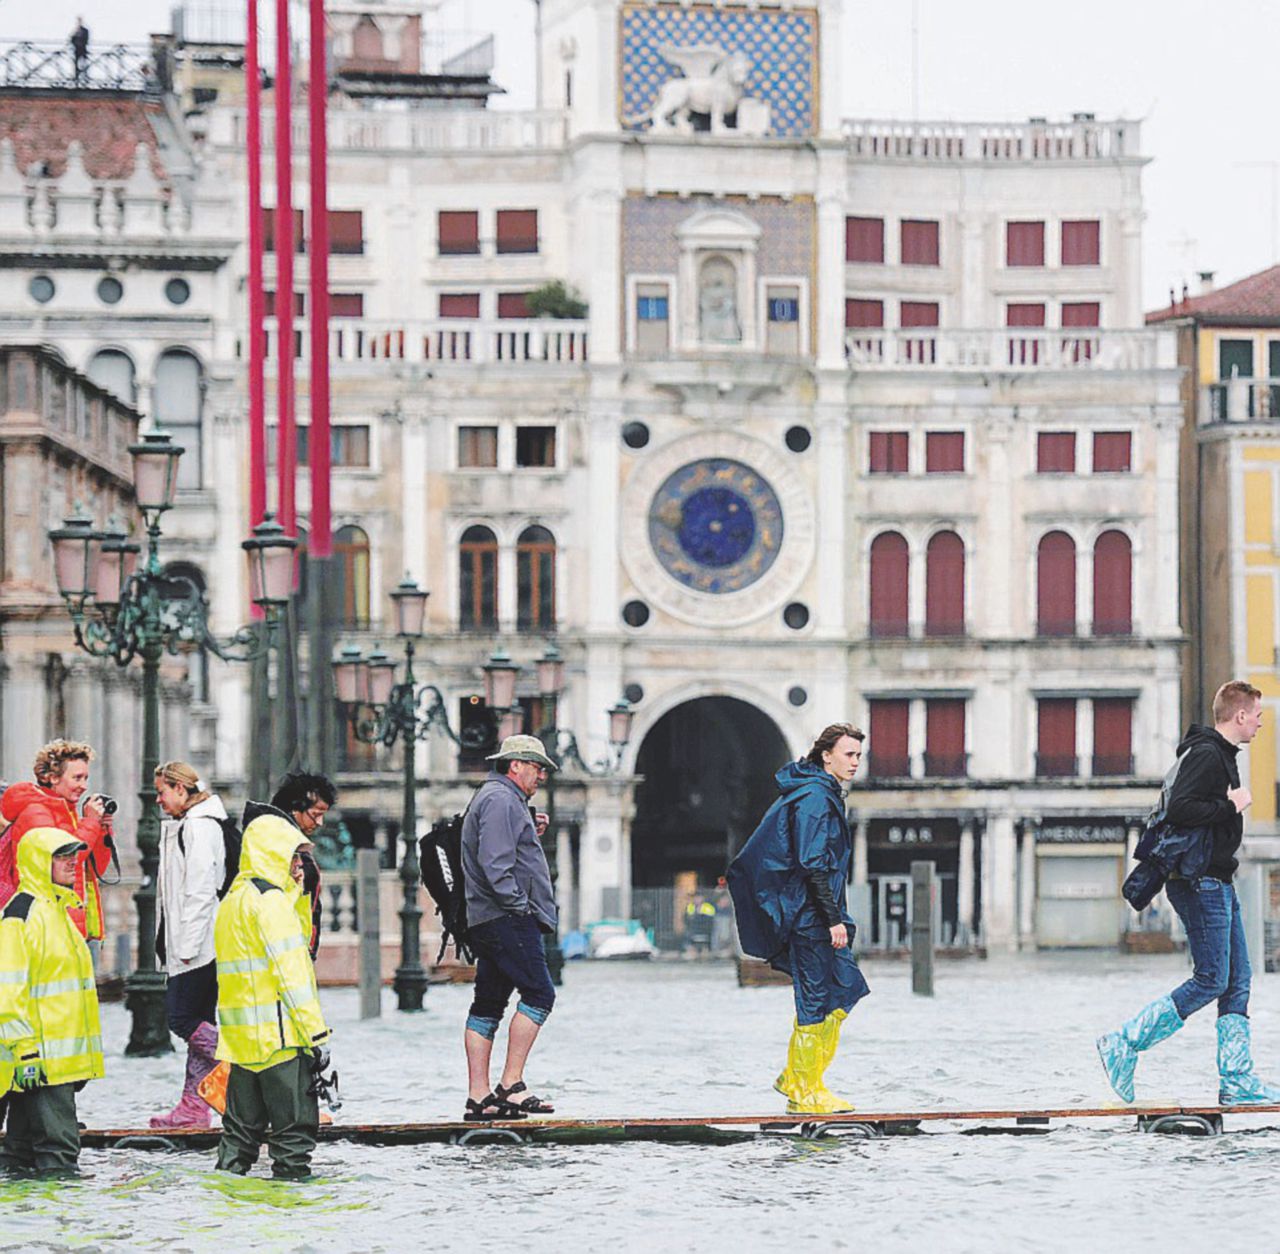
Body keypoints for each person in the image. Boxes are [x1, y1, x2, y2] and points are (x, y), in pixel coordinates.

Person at [1098, 681, 1280, 1106]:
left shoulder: (1221, 755)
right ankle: (1124, 1042)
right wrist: (1231, 806)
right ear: (1239, 715)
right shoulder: (1207, 754)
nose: (1259, 722)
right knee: (1212, 979)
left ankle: (1236, 1080)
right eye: (1257, 715)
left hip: (1217, 880)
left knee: (1237, 980)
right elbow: (1180, 807)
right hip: (1199, 882)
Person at [728, 723, 870, 1115]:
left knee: (847, 988)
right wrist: (832, 919)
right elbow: (812, 863)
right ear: (826, 756)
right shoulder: (814, 798)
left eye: (859, 755)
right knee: (815, 1000)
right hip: (810, 919)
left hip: (818, 914)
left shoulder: (824, 794)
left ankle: (796, 1077)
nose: (855, 762)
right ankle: (805, 1090)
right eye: (848, 754)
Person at [213, 813, 332, 1180]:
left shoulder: (234, 900)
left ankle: (226, 1199)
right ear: (273, 853)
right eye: (293, 856)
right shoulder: (271, 903)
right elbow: (292, 974)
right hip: (280, 1041)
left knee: (238, 1138)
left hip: (241, 1044)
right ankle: (292, 1203)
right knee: (293, 1137)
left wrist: (294, 893)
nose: (298, 865)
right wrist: (316, 1036)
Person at [460, 734, 559, 1121]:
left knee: (488, 1003)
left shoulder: (499, 799)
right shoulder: (501, 800)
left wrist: (528, 826)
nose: (541, 776)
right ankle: (511, 1085)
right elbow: (496, 863)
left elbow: (499, 848)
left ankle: (479, 1097)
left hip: (488, 916)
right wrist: (520, 907)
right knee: (540, 994)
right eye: (537, 767)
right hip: (505, 917)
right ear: (515, 765)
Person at [0, 829, 105, 1174]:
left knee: (22, 1151)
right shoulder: (22, 916)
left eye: (73, 854)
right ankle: (61, 1208)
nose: (72, 862)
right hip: (40, 1059)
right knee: (58, 1152)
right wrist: (25, 1050)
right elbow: (7, 990)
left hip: (53, 1060)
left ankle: (26, 1207)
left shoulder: (57, 911)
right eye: (61, 856)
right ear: (38, 861)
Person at [150, 762, 230, 1129]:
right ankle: (193, 1106)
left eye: (162, 792)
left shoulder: (198, 827)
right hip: (196, 942)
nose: (159, 800)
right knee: (199, 1019)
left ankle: (243, 1068)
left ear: (180, 789)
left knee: (182, 1018)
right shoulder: (194, 824)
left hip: (197, 946)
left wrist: (185, 947)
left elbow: (200, 891)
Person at [0, 740, 113, 940]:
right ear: (53, 777)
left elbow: (94, 870)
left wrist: (102, 830)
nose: (83, 786)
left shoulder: (67, 812)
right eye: (77, 778)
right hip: (46, 925)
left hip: (69, 922)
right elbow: (62, 862)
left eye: (86, 778)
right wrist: (91, 823)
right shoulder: (35, 813)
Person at [242, 770, 337, 959]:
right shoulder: (277, 846)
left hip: (288, 948)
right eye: (315, 814)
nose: (320, 823)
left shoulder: (270, 840)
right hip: (282, 951)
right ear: (295, 809)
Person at [69, 18, 89, 85]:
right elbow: (71, 39)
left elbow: (86, 39)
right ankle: (76, 77)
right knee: (76, 64)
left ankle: (84, 77)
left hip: (82, 49)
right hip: (77, 49)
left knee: (83, 64)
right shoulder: (76, 30)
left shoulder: (84, 30)